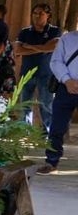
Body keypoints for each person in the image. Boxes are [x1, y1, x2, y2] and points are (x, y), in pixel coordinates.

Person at [14, 3, 61, 132]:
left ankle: (49, 132)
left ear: (48, 16)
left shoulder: (54, 31)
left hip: (46, 74)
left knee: (46, 105)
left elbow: (52, 47)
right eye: (35, 13)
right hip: (27, 73)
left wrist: (29, 46)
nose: (37, 16)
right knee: (25, 104)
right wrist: (41, 48)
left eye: (41, 13)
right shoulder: (25, 32)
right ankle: (24, 132)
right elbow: (18, 50)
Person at [40, 30, 78, 174]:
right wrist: (67, 80)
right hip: (65, 88)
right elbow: (56, 61)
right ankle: (51, 161)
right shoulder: (67, 38)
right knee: (57, 127)